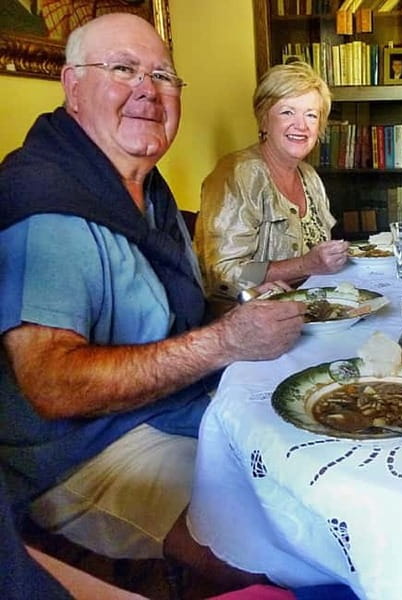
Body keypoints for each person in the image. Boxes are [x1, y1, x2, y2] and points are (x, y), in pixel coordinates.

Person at [0, 12, 305, 588]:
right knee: (284, 543)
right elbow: (51, 385)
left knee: (314, 460)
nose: (148, 90)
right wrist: (223, 342)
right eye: (123, 69)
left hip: (174, 406)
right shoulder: (48, 204)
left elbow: (179, 312)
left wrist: (243, 312)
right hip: (84, 452)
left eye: (163, 76)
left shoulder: (142, 185)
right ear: (72, 86)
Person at [195, 62, 348, 305]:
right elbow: (221, 273)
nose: (301, 125)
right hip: (245, 316)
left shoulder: (310, 177)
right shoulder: (238, 174)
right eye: (287, 112)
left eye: (311, 115)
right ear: (264, 119)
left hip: (305, 308)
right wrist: (304, 265)